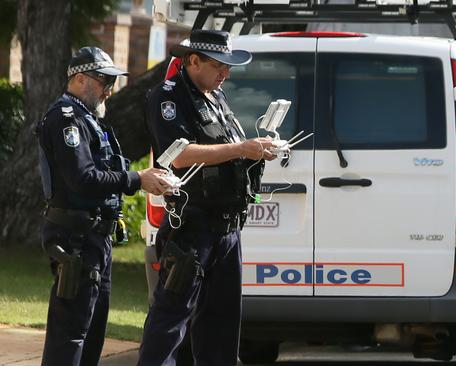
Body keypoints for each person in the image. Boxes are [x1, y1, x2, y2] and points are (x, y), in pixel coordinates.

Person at [138, 29, 276, 366]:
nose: (225, 74)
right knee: (171, 320)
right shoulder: (168, 97)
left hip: (227, 229)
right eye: (219, 66)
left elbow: (226, 149)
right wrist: (241, 149)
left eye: (228, 68)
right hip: (193, 227)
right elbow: (179, 156)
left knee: (221, 326)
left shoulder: (216, 97)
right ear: (193, 61)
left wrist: (257, 150)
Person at [36, 46, 171, 366]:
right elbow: (83, 178)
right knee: (70, 334)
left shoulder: (90, 120)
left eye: (112, 81)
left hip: (96, 239)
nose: (110, 89)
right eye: (103, 80)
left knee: (92, 331)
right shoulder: (66, 119)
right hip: (76, 239)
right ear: (80, 79)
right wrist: (137, 178)